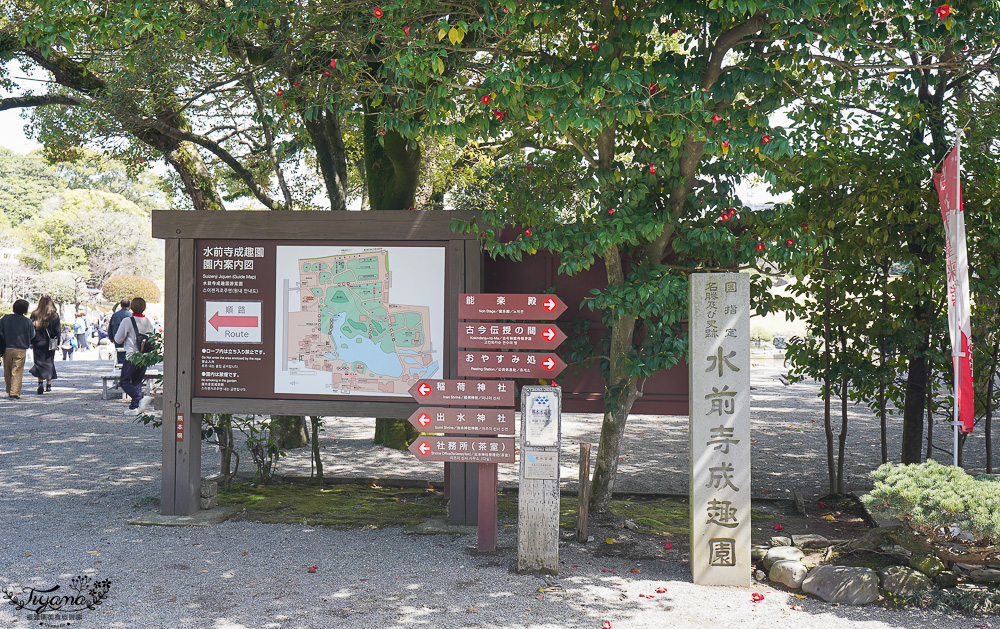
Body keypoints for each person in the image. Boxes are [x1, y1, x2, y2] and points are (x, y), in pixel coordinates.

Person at [113, 296, 155, 416]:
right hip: (144, 356)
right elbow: (151, 339)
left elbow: (118, 339)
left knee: (124, 381)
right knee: (136, 381)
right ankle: (134, 407)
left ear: (131, 307)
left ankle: (140, 398)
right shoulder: (148, 321)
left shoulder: (127, 321)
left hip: (132, 355)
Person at [1, 299, 36, 399]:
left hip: (7, 348)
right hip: (20, 349)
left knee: (7, 370)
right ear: (25, 309)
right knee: (16, 370)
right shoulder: (27, 321)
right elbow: (32, 335)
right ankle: (14, 392)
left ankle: (9, 389)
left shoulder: (5, 318)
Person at [29, 295, 61, 394]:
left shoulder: (35, 314)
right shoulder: (54, 315)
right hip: (50, 343)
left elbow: (31, 329)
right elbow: (57, 331)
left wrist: (30, 342)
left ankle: (40, 383)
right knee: (49, 363)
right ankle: (49, 384)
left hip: (37, 342)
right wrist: (58, 343)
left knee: (39, 363)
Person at [107, 299, 131, 366]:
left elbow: (110, 326)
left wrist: (111, 337)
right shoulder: (130, 315)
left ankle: (121, 367)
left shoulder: (115, 315)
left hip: (117, 337)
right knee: (129, 353)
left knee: (119, 354)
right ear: (129, 305)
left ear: (120, 305)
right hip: (129, 337)